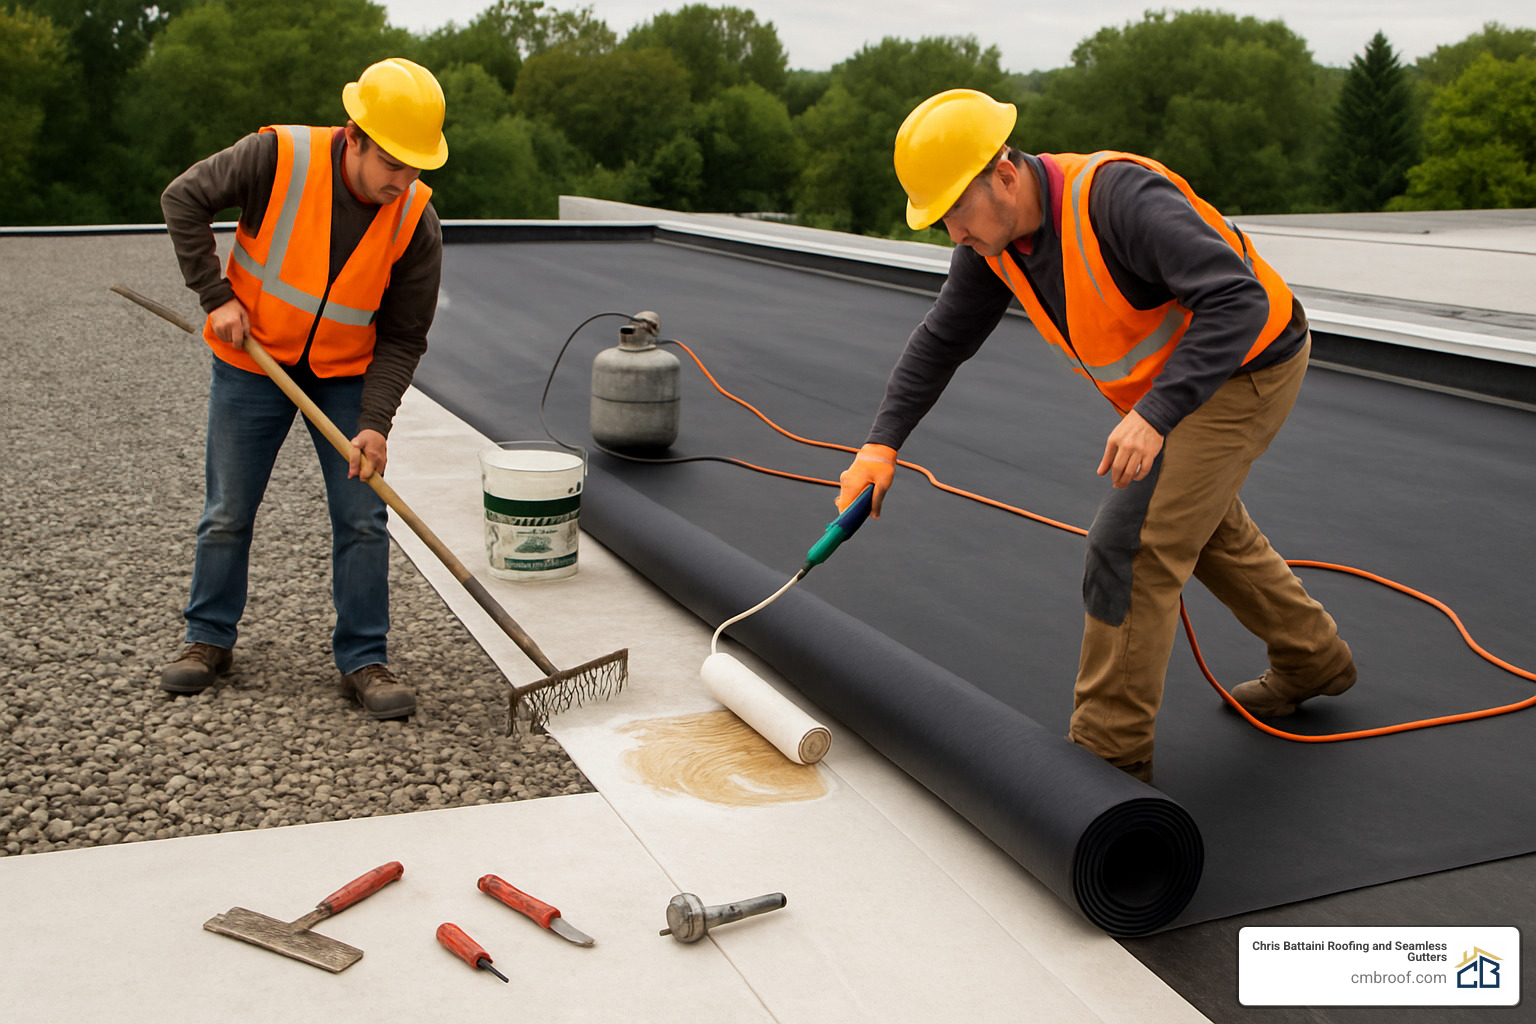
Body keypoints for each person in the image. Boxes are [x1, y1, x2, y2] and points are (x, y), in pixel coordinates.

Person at [837, 89, 1356, 783]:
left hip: (1247, 365)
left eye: (956, 209)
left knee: (1132, 545)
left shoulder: (1117, 200)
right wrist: (880, 446)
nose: (953, 233)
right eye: (940, 221)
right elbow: (941, 340)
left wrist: (1155, 414)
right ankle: (1313, 658)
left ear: (1004, 172)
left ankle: (1107, 770)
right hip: (1177, 388)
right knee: (1198, 526)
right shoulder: (996, 246)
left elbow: (1237, 299)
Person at [157, 57, 448, 720]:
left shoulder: (416, 222)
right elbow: (184, 199)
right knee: (228, 510)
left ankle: (364, 659)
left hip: (346, 377)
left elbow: (403, 336)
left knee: (363, 517)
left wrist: (374, 421)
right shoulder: (277, 157)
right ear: (355, 136)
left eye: (415, 168)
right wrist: (215, 296)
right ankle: (207, 639)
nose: (403, 182)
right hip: (251, 364)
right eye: (392, 165)